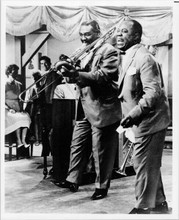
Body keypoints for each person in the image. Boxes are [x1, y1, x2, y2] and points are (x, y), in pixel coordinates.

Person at [54, 20, 122, 200]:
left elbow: (103, 76)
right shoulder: (84, 52)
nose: (83, 38)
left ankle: (102, 186)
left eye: (87, 35)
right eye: (81, 34)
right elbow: (79, 77)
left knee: (101, 151)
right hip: (84, 106)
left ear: (98, 33)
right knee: (77, 144)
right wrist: (67, 73)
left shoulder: (109, 51)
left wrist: (75, 74)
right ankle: (72, 179)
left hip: (102, 108)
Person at [116, 19, 170, 214]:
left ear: (137, 36)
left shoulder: (144, 57)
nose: (118, 35)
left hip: (150, 121)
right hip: (142, 122)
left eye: (124, 32)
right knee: (149, 164)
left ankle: (143, 208)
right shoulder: (129, 55)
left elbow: (153, 93)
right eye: (117, 32)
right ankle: (160, 203)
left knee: (143, 164)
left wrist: (132, 115)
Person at [38, 56, 62, 176]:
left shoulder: (53, 74)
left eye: (45, 63)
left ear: (49, 63)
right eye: (42, 63)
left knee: (53, 135)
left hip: (54, 106)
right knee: (46, 135)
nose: (44, 65)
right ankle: (49, 162)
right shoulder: (43, 76)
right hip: (45, 107)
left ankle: (56, 164)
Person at [5, 64, 31, 156]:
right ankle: (18, 140)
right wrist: (8, 108)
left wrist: (22, 108)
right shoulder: (4, 83)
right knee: (17, 118)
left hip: (17, 108)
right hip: (7, 109)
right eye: (13, 71)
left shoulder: (18, 85)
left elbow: (20, 98)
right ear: (9, 72)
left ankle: (23, 140)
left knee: (25, 117)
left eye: (16, 71)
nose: (15, 73)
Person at [24, 70, 42, 145]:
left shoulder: (42, 87)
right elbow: (27, 100)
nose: (35, 80)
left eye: (37, 78)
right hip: (33, 109)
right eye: (34, 78)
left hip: (41, 108)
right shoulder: (30, 89)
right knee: (35, 122)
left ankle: (41, 138)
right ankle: (37, 139)